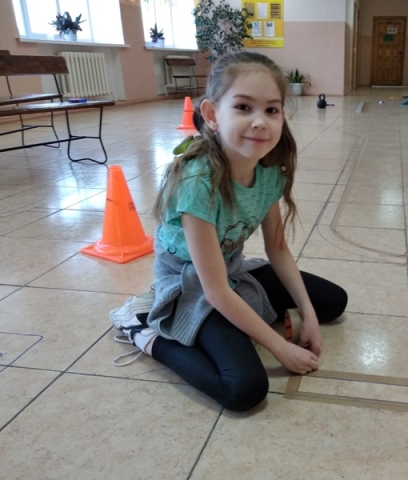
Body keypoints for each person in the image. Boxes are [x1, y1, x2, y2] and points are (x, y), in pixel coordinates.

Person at [109, 51, 348, 412]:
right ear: (211, 115)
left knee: (332, 302)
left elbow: (278, 248)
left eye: (271, 110)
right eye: (243, 107)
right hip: (190, 282)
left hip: (229, 269)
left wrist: (308, 313)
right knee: (245, 388)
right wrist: (279, 347)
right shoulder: (198, 182)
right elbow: (216, 291)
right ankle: (143, 330)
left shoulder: (269, 171)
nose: (260, 122)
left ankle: (239, 323)